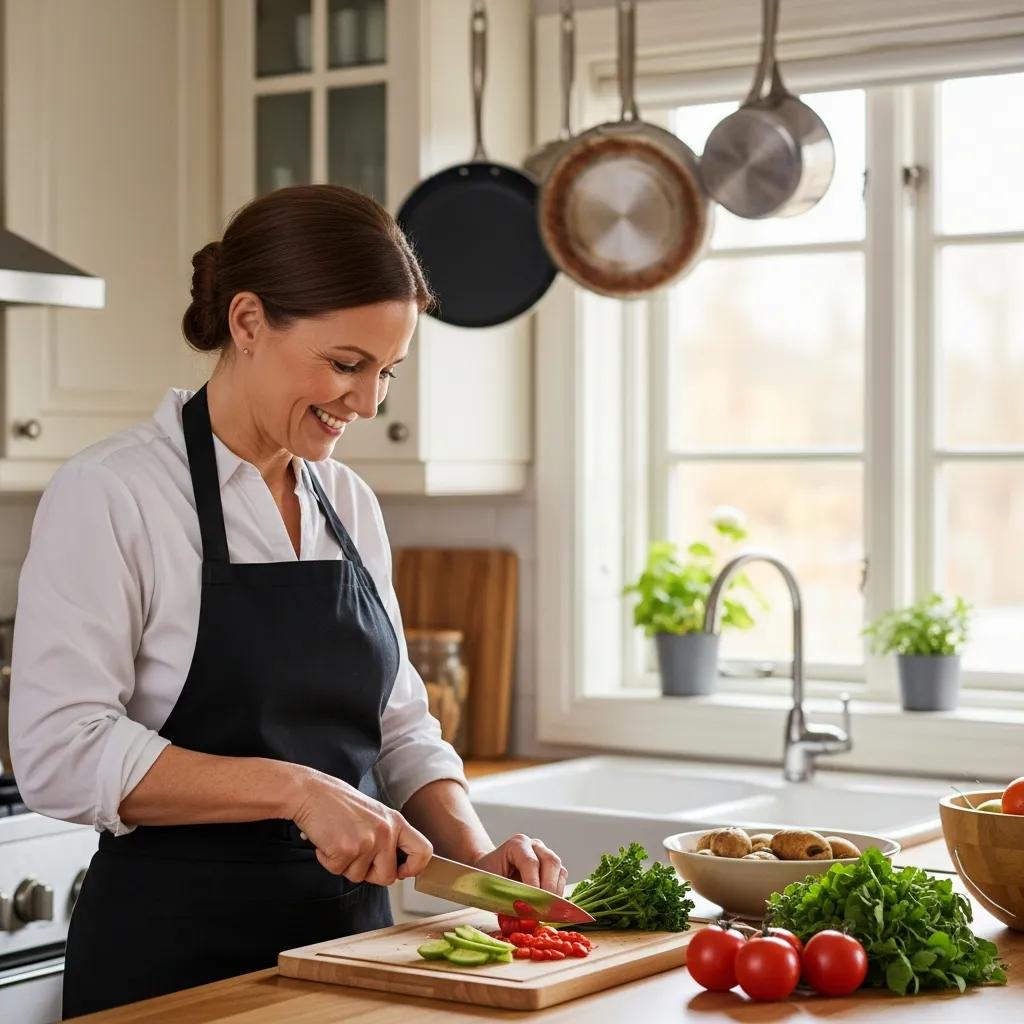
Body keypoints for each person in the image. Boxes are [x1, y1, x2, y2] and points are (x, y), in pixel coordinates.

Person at [9, 184, 566, 1019]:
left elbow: (400, 730)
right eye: (346, 364)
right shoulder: (114, 493)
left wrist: (478, 857)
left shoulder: (349, 503)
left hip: (349, 959)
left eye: (387, 372)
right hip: (175, 965)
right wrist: (299, 790)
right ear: (246, 323)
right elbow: (59, 751)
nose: (368, 402)